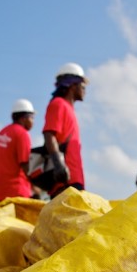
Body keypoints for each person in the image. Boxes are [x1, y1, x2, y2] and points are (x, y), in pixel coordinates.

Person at [42, 62, 88, 198]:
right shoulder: (58, 104)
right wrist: (58, 164)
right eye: (83, 85)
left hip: (74, 177)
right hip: (65, 179)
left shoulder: (69, 108)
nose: (85, 90)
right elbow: (49, 134)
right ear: (73, 85)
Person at [0, 98, 35, 206]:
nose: (33, 121)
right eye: (32, 117)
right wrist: (35, 186)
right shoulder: (22, 134)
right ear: (24, 118)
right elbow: (24, 164)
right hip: (16, 192)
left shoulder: (2, 132)